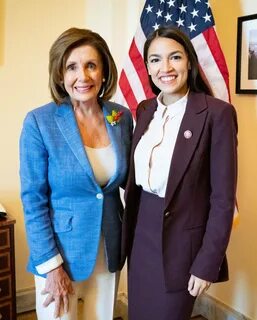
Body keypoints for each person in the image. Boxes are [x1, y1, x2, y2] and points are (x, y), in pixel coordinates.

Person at [121, 26, 238, 320]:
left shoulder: (217, 114)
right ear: (147, 66)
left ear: (189, 61)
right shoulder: (145, 109)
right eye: (156, 60)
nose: (166, 68)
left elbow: (223, 199)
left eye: (175, 57)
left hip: (181, 249)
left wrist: (207, 263)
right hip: (140, 237)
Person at [19, 27, 133, 320]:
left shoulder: (120, 118)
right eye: (72, 67)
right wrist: (52, 266)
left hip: (108, 249)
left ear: (104, 72)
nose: (83, 76)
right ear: (60, 74)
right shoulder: (39, 122)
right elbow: (33, 200)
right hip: (61, 255)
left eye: (91, 65)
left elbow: (132, 183)